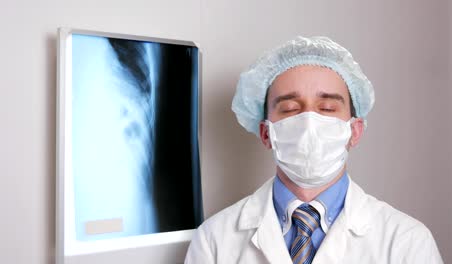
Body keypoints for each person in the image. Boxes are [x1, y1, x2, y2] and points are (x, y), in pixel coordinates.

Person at [184, 36, 443, 263]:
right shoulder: (215, 240)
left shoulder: (407, 242)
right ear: (266, 133)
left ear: (355, 131)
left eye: (327, 109)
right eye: (290, 109)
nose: (309, 122)